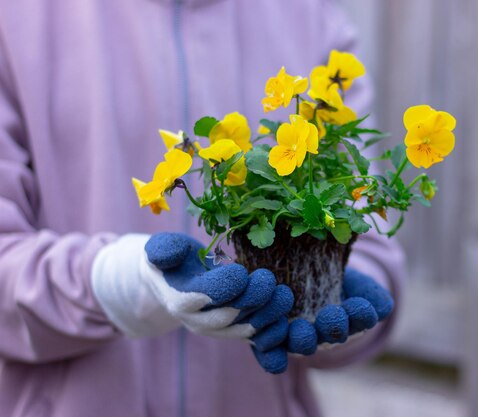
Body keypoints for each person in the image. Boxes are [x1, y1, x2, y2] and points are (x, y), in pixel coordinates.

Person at [0, 0, 406, 416]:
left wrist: (332, 300)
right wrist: (118, 283)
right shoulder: (16, 18)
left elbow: (362, 220)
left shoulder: (309, 15)